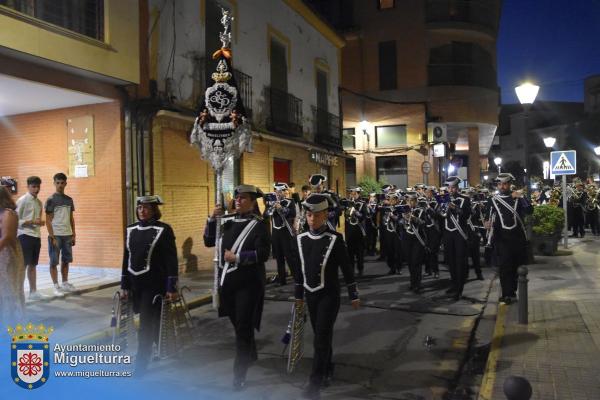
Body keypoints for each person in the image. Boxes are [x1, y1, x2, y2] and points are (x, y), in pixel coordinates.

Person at [292, 194, 360, 399]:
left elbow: (347, 269)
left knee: (321, 337)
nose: (312, 219)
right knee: (322, 336)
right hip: (310, 295)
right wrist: (298, 296)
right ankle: (328, 366)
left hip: (329, 295)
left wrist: (353, 293)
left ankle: (315, 381)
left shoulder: (335, 239)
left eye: (317, 215)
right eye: (309, 215)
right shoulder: (300, 239)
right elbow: (299, 271)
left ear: (325, 215)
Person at [204, 184, 270, 390]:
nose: (238, 201)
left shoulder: (259, 225)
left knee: (242, 326)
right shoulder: (226, 221)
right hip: (228, 283)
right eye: (237, 198)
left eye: (243, 198)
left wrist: (238, 257)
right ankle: (250, 352)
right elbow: (208, 241)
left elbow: (263, 254)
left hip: (249, 283)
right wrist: (211, 219)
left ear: (252, 202)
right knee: (239, 323)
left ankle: (238, 373)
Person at [120, 195, 179, 375]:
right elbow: (126, 258)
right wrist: (124, 285)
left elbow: (171, 260)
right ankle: (163, 347)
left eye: (146, 208)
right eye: (139, 208)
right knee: (144, 323)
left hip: (153, 285)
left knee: (145, 324)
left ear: (154, 210)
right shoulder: (131, 229)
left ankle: (141, 361)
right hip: (134, 284)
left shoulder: (164, 229)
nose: (142, 211)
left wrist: (171, 287)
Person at [485, 173, 533, 304]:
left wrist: (522, 197)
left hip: (517, 238)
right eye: (500, 184)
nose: (502, 186)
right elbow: (487, 216)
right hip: (502, 239)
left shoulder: (517, 198)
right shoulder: (493, 199)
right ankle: (507, 294)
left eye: (505, 184)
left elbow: (530, 211)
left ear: (510, 184)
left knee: (516, 267)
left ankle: (513, 292)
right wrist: (486, 223)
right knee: (504, 267)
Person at [16, 176, 47, 300]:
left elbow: (37, 220)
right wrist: (32, 221)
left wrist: (39, 222)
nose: (36, 189)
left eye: (38, 186)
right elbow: (16, 220)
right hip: (24, 235)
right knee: (22, 266)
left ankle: (33, 292)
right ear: (28, 186)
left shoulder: (39, 202)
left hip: (36, 236)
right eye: (33, 186)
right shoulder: (22, 200)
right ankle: (19, 293)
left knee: (33, 265)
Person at [45, 172, 76, 296]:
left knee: (66, 260)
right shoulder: (51, 200)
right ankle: (56, 286)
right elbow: (48, 220)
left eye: (62, 183)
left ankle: (65, 283)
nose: (60, 185)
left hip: (67, 234)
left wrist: (74, 234)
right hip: (56, 235)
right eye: (58, 183)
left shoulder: (69, 200)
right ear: (54, 183)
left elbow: (71, 218)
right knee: (53, 261)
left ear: (66, 184)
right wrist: (52, 236)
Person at [441, 176, 471, 301]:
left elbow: (466, 214)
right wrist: (441, 208)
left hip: (459, 234)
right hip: (448, 233)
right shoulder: (444, 199)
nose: (450, 190)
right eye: (449, 187)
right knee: (451, 262)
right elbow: (441, 215)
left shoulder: (464, 199)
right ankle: (454, 285)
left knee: (459, 262)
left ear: (457, 188)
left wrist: (454, 208)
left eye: (452, 187)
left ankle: (459, 289)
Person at [0, 184, 25, 325]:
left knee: (8, 289)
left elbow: (7, 237)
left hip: (7, 255)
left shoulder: (8, 213)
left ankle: (11, 324)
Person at [264, 182, 299, 285]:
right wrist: (271, 207)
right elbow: (265, 214)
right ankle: (282, 279)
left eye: (281, 191)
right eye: (277, 191)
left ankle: (297, 278)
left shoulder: (290, 202)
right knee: (278, 257)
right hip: (275, 232)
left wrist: (281, 208)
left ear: (285, 192)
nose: (278, 193)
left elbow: (292, 213)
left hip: (286, 232)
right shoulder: (271, 202)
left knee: (289, 256)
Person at [400, 193, 428, 293]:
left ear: (416, 201)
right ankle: (413, 282)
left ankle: (418, 284)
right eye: (408, 201)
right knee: (410, 262)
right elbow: (400, 223)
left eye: (412, 200)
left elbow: (424, 223)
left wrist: (413, 218)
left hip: (418, 239)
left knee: (416, 262)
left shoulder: (421, 210)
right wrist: (404, 219)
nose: (410, 203)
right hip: (407, 239)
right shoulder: (404, 211)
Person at [343, 187, 366, 276]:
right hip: (349, 230)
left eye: (354, 194)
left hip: (358, 231)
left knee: (359, 252)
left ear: (358, 194)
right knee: (350, 253)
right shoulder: (348, 203)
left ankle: (360, 269)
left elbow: (364, 216)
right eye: (351, 194)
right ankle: (351, 270)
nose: (352, 195)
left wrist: (356, 212)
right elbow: (345, 216)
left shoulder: (362, 203)